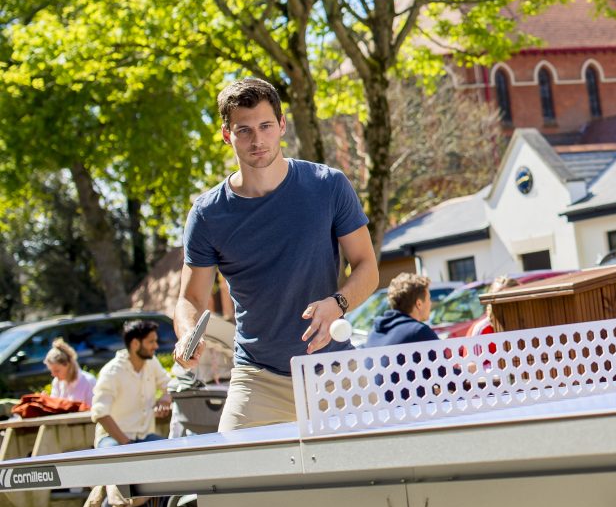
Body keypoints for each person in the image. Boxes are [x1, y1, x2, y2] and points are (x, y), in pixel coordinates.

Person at [174, 77, 378, 431]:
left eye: (266, 126)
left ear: (282, 126)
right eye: (244, 130)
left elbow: (367, 267)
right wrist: (188, 333)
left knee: (382, 478)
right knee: (235, 483)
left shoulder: (328, 185)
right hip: (258, 378)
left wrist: (338, 303)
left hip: (334, 370)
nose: (257, 139)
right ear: (227, 135)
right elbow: (191, 297)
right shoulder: (207, 214)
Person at [91, 320, 172, 448]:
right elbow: (100, 413)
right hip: (113, 439)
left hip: (145, 437)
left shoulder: (152, 362)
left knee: (172, 451)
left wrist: (165, 399)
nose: (156, 346)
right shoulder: (111, 372)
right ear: (135, 344)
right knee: (115, 457)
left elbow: (171, 385)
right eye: (151, 342)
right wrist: (127, 445)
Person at [366, 273, 440, 347]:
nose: (431, 303)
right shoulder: (420, 332)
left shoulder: (373, 334)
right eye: (429, 299)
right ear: (419, 304)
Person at [44, 338, 96, 407]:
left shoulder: (89, 381)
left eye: (57, 371)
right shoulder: (56, 382)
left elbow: (94, 410)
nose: (53, 375)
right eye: (51, 371)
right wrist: (46, 402)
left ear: (68, 364)